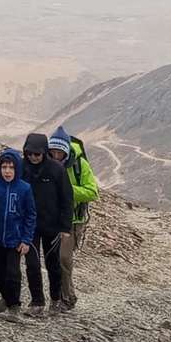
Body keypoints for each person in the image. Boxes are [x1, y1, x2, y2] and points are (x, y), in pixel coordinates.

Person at [0, 149, 36, 322]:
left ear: (17, 168)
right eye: (4, 167)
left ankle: (14, 306)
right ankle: (6, 297)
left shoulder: (25, 188)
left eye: (11, 167)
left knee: (13, 274)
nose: (7, 171)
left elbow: (30, 215)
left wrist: (26, 239)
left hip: (15, 241)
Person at [21, 133, 74, 317]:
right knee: (32, 264)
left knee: (53, 264)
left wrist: (65, 227)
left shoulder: (56, 170)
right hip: (30, 227)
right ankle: (37, 302)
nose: (33, 157)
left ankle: (55, 299)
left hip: (52, 226)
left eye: (37, 154)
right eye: (30, 154)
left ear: (44, 152)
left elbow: (67, 198)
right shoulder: (22, 168)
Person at [48, 126, 99, 311]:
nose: (55, 156)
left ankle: (67, 298)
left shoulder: (79, 165)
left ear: (66, 151)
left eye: (59, 152)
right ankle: (57, 297)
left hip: (72, 220)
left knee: (64, 258)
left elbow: (93, 192)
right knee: (53, 259)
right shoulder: (45, 162)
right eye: (52, 152)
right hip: (50, 218)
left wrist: (68, 191)